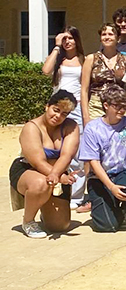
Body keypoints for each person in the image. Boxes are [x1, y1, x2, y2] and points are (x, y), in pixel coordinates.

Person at [78, 85, 126, 232]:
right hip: (99, 177)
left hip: (123, 171)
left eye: (124, 106)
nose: (122, 110)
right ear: (106, 105)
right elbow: (94, 162)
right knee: (108, 226)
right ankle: (108, 207)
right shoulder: (92, 128)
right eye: (117, 106)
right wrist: (110, 186)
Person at [9, 90, 80, 238]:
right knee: (41, 183)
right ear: (47, 106)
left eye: (64, 114)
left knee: (60, 226)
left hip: (58, 173)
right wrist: (57, 176)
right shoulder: (32, 127)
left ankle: (44, 206)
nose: (58, 116)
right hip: (28, 169)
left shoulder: (71, 127)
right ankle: (28, 221)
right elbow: (38, 162)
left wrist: (57, 175)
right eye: (56, 110)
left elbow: (67, 155)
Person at [81, 23, 126, 127]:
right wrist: (86, 117)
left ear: (118, 38)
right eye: (104, 34)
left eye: (111, 34)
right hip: (96, 106)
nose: (107, 37)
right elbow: (84, 90)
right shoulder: (91, 59)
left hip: (119, 106)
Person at [42, 26, 85, 129]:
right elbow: (46, 71)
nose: (67, 42)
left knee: (77, 136)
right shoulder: (58, 59)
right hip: (58, 103)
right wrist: (57, 46)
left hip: (76, 105)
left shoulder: (84, 60)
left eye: (70, 38)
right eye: (64, 39)